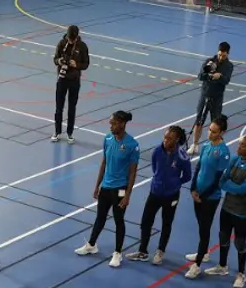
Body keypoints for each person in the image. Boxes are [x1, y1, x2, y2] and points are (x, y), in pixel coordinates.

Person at [75, 111, 139, 268]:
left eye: (113, 123)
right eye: (110, 123)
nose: (110, 126)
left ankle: (117, 253)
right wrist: (97, 186)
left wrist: (128, 195)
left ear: (122, 124)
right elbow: (104, 162)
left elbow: (132, 172)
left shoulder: (132, 145)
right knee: (100, 217)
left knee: (119, 221)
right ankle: (91, 245)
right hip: (106, 187)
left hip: (120, 189)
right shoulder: (108, 139)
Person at [199, 133, 246, 288]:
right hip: (227, 206)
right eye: (239, 144)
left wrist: (230, 186)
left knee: (240, 241)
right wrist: (232, 187)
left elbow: (244, 189)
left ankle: (241, 274)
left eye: (242, 145)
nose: (238, 147)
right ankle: (222, 266)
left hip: (241, 210)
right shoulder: (234, 160)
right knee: (223, 236)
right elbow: (222, 181)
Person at [127, 125, 192, 265]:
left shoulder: (182, 156)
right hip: (155, 192)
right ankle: (142, 251)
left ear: (177, 140)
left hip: (171, 195)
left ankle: (160, 251)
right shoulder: (157, 151)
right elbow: (155, 168)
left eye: (169, 138)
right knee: (146, 221)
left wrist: (175, 183)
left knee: (166, 223)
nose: (165, 140)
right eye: (165, 137)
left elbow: (187, 176)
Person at [184, 114, 232, 269]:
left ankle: (198, 263)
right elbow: (198, 168)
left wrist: (202, 195)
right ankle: (203, 252)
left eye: (214, 132)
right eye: (209, 130)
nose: (209, 134)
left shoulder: (223, 152)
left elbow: (219, 179)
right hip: (198, 193)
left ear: (222, 133)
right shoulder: (206, 146)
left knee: (205, 227)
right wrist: (193, 188)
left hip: (210, 197)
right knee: (201, 225)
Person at [188, 42, 233, 155]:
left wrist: (220, 76)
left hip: (217, 97)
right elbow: (200, 76)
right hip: (205, 95)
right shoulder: (210, 61)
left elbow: (226, 81)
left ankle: (213, 147)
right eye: (219, 54)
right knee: (199, 121)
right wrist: (209, 75)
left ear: (227, 54)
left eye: (223, 55)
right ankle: (195, 144)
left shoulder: (228, 66)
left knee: (216, 123)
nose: (221, 57)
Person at [52, 24, 90, 144]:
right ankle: (57, 132)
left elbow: (86, 64)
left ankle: (70, 133)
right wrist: (59, 61)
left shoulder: (82, 46)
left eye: (72, 39)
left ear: (77, 36)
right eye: (69, 38)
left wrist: (76, 65)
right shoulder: (61, 43)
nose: (70, 40)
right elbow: (55, 59)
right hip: (62, 79)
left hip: (74, 81)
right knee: (59, 107)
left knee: (71, 108)